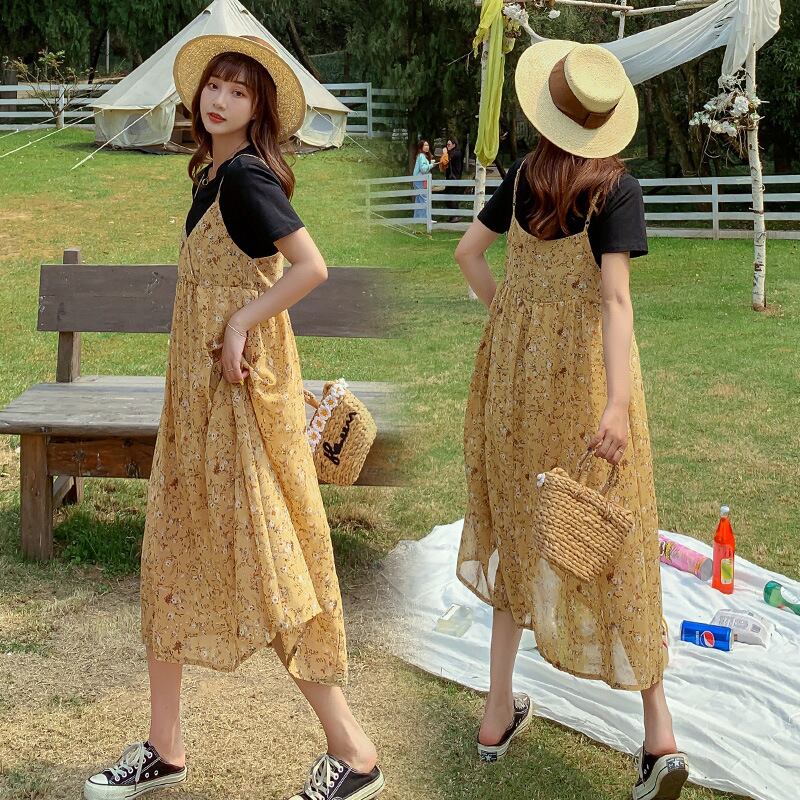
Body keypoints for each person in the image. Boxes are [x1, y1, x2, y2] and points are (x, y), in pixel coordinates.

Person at [82, 34, 384, 800]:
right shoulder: (211, 175)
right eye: (214, 86)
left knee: (271, 566)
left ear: (259, 110)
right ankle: (165, 746)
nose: (219, 100)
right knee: (170, 556)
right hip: (196, 404)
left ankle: (354, 753)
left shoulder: (246, 177)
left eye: (239, 92)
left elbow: (311, 266)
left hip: (240, 404)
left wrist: (244, 321)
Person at [453, 40, 689, 800]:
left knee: (518, 525)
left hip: (513, 387)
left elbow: (468, 254)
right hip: (588, 386)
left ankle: (495, 716)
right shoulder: (615, 189)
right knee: (616, 536)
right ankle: (659, 736)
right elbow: (614, 300)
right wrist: (616, 405)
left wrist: (512, 320)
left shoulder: (522, 176)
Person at [412, 140, 439, 220]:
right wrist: (431, 165)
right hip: (421, 180)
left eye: (427, 145)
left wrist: (430, 165)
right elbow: (423, 169)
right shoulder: (421, 156)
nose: (427, 147)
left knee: (419, 200)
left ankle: (418, 219)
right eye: (425, 145)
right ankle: (426, 219)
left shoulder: (422, 156)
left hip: (418, 180)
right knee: (424, 199)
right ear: (421, 147)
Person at [444, 136, 464, 221]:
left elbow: (448, 159)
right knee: (449, 196)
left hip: (454, 178)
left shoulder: (456, 153)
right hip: (451, 178)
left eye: (449, 144)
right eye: (447, 144)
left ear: (454, 145)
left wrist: (445, 153)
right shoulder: (453, 153)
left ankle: (456, 215)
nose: (447, 146)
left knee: (450, 196)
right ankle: (454, 215)